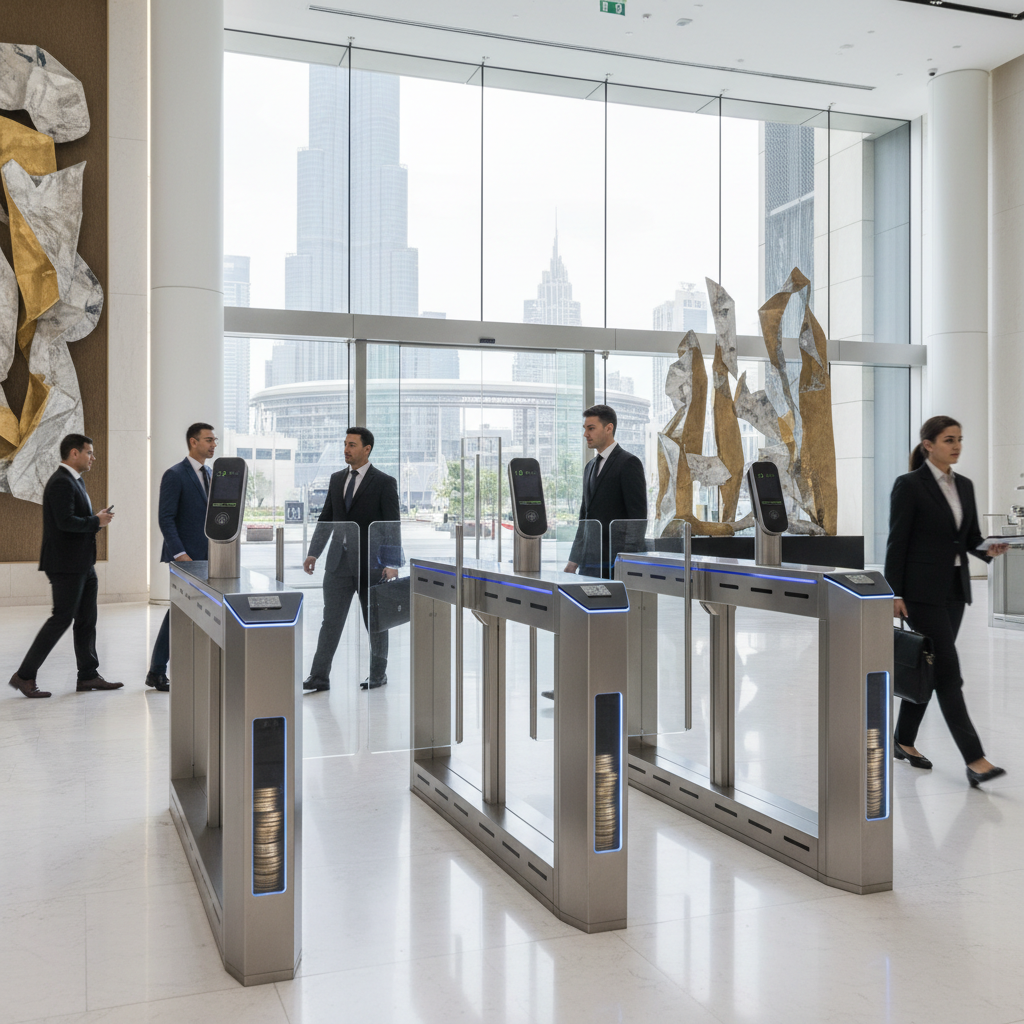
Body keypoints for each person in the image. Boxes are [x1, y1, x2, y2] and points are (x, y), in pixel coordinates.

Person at [884, 415, 1010, 787]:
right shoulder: (909, 486)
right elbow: (897, 542)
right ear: (928, 444)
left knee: (931, 664)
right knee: (948, 675)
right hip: (921, 594)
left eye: (959, 439)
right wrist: (894, 592)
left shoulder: (965, 486)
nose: (956, 445)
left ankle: (903, 739)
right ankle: (975, 759)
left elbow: (967, 538)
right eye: (948, 439)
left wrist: (990, 550)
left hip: (955, 591)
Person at [8, 434, 122, 698]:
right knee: (61, 619)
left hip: (82, 563)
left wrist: (96, 519)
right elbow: (65, 522)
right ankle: (24, 676)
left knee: (86, 620)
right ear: (74, 453)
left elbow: (73, 518)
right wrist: (97, 521)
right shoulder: (61, 482)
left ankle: (88, 675)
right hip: (66, 564)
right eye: (89, 453)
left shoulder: (73, 481)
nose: (93, 457)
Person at [302, 427, 401, 691]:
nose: (346, 449)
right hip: (337, 564)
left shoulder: (384, 482)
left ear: (367, 449)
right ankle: (319, 676)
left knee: (376, 623)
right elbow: (326, 518)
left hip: (373, 565)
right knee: (330, 621)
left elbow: (392, 525)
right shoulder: (336, 480)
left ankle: (378, 674)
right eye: (345, 444)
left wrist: (392, 563)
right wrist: (314, 552)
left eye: (352, 445)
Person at [146, 423, 218, 691]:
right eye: (208, 440)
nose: (213, 444)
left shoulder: (211, 474)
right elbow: (166, 518)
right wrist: (180, 553)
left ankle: (166, 669)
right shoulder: (175, 474)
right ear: (193, 442)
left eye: (215, 440)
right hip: (185, 558)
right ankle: (156, 670)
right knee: (177, 611)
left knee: (199, 610)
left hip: (209, 556)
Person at [563, 404, 648, 580]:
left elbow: (637, 518)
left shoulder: (629, 463)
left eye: (591, 428)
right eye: (585, 429)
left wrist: (627, 563)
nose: (585, 434)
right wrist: (574, 560)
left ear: (609, 428)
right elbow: (584, 518)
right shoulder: (590, 467)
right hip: (589, 564)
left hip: (615, 564)